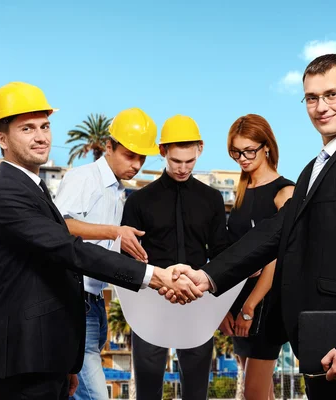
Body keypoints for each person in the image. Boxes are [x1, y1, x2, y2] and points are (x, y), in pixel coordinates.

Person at [169, 54, 336, 400]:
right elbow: (276, 231)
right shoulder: (314, 169)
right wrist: (208, 276)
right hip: (318, 338)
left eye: (332, 94)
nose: (321, 106)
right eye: (311, 97)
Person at [0, 82, 202, 400]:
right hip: (25, 360)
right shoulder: (4, 193)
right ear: (1, 139)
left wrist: (68, 360)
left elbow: (52, 269)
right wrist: (155, 275)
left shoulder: (33, 189)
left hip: (50, 349)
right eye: (27, 128)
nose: (41, 136)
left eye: (45, 126)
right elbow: (69, 250)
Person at [54, 107, 159, 400]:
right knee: (95, 395)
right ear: (109, 147)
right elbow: (60, 226)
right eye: (130, 155)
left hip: (95, 302)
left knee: (78, 392)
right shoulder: (84, 178)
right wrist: (115, 232)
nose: (137, 164)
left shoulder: (117, 190)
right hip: (75, 301)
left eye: (142, 157)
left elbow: (95, 241)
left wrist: (121, 244)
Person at [121, 115, 229, 400]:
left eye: (189, 161)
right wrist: (158, 283)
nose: (183, 168)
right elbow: (128, 260)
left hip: (197, 302)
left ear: (200, 150)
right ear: (162, 152)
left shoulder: (212, 199)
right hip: (149, 304)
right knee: (147, 391)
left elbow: (220, 254)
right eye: (176, 161)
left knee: (196, 392)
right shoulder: (138, 201)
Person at [219, 114, 294, 400]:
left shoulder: (285, 192)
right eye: (235, 152)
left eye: (249, 150)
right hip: (240, 300)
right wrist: (227, 305)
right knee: (263, 394)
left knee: (252, 394)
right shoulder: (240, 193)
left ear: (266, 146)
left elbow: (277, 257)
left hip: (266, 304)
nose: (242, 158)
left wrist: (250, 307)